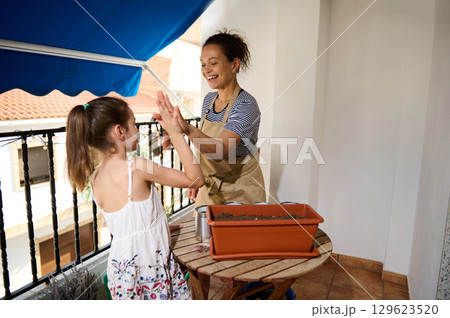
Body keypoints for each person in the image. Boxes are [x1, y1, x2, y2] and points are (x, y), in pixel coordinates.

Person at [66, 94, 204, 300]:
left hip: (122, 273)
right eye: (134, 124)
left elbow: (127, 224)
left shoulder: (95, 179)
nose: (138, 131)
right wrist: (175, 133)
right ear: (120, 132)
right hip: (150, 269)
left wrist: (158, 227)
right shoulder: (138, 167)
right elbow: (196, 179)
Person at [154, 30, 266, 207]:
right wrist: (199, 175)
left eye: (213, 63)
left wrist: (186, 128)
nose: (206, 70)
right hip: (210, 187)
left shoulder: (245, 105)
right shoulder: (209, 100)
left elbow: (219, 151)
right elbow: (205, 142)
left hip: (241, 191)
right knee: (204, 233)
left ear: (234, 64)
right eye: (203, 64)